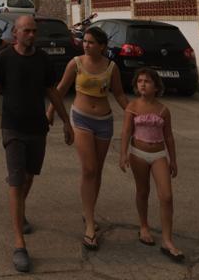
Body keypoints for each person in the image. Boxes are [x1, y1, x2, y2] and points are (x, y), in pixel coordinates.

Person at [0, 15, 74, 274]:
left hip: (38, 129)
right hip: (12, 128)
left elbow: (51, 91)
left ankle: (19, 211)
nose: (32, 35)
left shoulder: (43, 59)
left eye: (35, 31)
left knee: (29, 178)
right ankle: (19, 243)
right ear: (16, 33)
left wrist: (66, 121)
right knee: (17, 180)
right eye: (27, 31)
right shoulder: (4, 58)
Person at [47, 25, 129, 250]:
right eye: (85, 41)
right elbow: (61, 88)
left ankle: (88, 210)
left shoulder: (112, 67)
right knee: (89, 169)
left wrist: (135, 112)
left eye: (91, 42)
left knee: (98, 170)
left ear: (102, 46)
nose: (86, 44)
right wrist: (51, 112)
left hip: (104, 122)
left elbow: (120, 94)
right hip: (81, 118)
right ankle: (90, 225)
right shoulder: (75, 63)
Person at [119, 68, 183, 263]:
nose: (143, 84)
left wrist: (173, 159)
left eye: (147, 81)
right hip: (138, 154)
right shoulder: (132, 107)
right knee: (143, 191)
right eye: (139, 81)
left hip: (158, 155)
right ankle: (144, 226)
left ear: (156, 86)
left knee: (166, 195)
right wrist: (123, 154)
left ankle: (167, 240)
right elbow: (126, 132)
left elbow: (169, 137)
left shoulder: (163, 110)